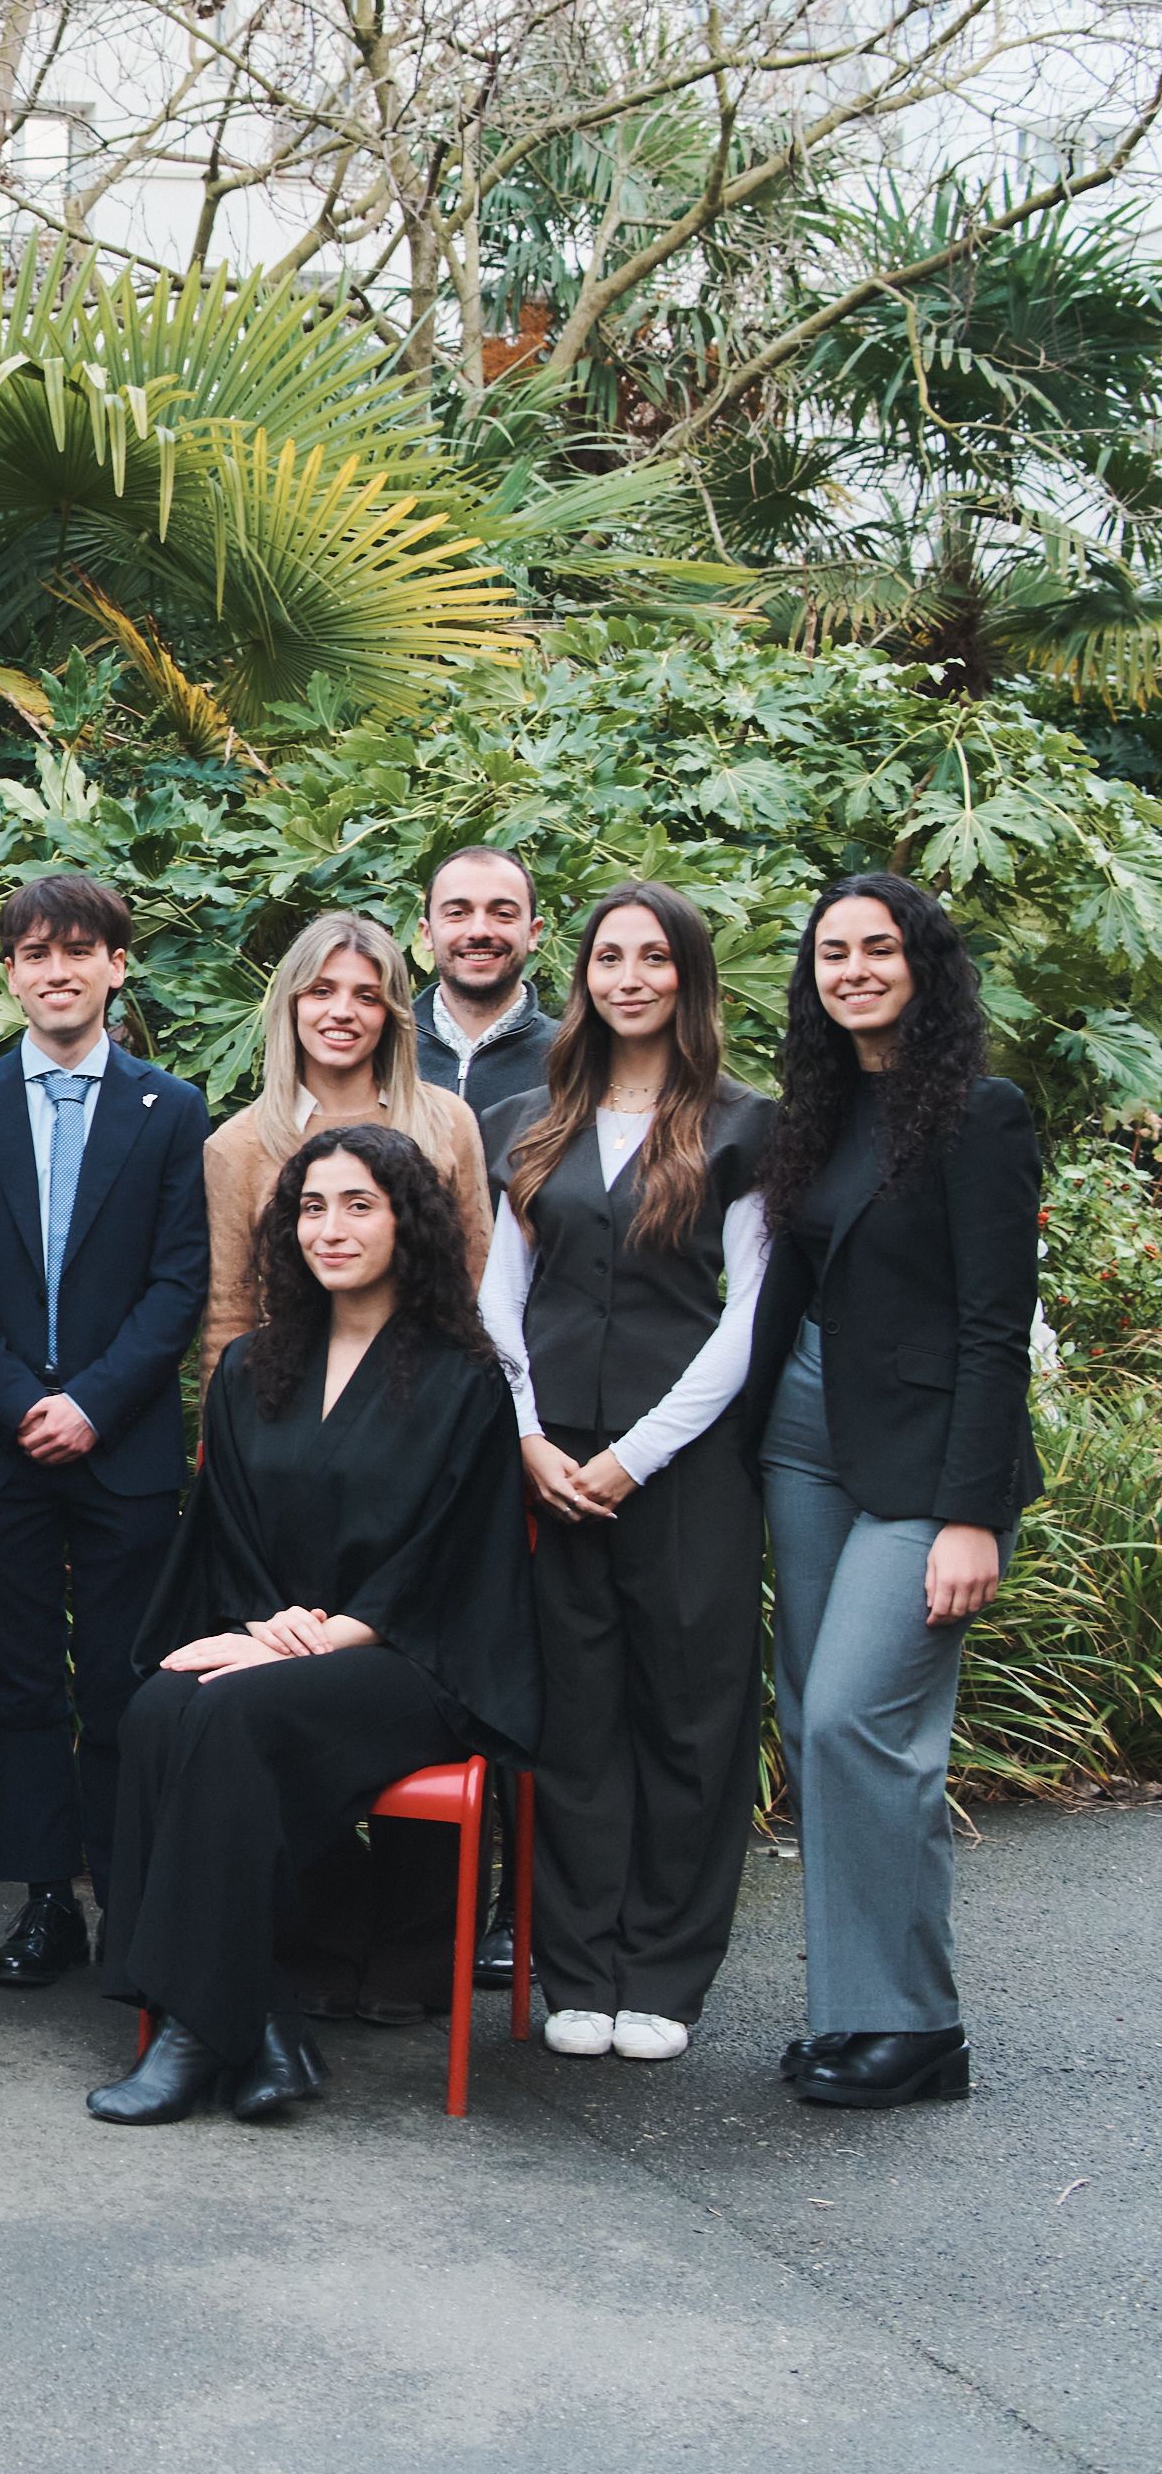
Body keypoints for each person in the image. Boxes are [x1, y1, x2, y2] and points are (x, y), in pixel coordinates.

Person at [90, 1124, 537, 2126]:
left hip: (408, 1659)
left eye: (357, 1205)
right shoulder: (254, 1369)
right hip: (275, 1649)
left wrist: (333, 1633)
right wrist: (261, 1630)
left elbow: (451, 1556)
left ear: (406, 1222)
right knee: (157, 1707)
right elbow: (230, 1537)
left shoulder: (462, 1380)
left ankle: (201, 2028)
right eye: (311, 1207)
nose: (329, 1228)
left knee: (224, 1717)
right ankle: (262, 2026)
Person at [744, 875, 1038, 2112]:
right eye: (832, 952)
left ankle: (915, 2026)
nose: (853, 968)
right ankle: (853, 2014)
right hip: (806, 1441)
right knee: (819, 1722)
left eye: (877, 948)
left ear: (923, 963)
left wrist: (971, 1512)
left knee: (857, 1724)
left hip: (926, 1465)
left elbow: (993, 1327)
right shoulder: (814, 1112)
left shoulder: (979, 1114)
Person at [474, 882, 771, 2068]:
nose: (629, 976)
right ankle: (578, 1966)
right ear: (584, 975)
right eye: (609, 957)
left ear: (687, 978)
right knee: (573, 1722)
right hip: (549, 1465)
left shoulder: (744, 1126)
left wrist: (637, 1454)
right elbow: (501, 1294)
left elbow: (747, 1315)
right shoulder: (536, 1118)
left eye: (654, 958)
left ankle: (661, 1973)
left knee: (688, 1722)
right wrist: (531, 1434)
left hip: (681, 1468)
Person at [0, 874, 211, 1991]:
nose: (56, 969)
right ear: (9, 975)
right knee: (23, 1681)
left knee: (125, 1681)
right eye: (33, 953)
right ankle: (44, 1903)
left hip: (120, 1447)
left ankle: (125, 1891)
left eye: (78, 950)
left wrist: (90, 1402)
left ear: (115, 965)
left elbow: (180, 1283)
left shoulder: (170, 1109)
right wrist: (16, 1400)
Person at [198, 910, 492, 1367]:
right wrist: (224, 1432)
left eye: (367, 997)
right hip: (290, 1394)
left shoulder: (446, 1122)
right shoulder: (239, 1145)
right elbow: (229, 1313)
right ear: (292, 1004)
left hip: (429, 1387)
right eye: (321, 991)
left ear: (391, 1013)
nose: (342, 1012)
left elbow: (480, 1278)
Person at [417, 845, 553, 1110]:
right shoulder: (382, 1047)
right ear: (427, 933)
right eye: (457, 913)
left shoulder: (574, 1056)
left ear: (534, 932)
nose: (479, 931)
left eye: (502, 914)